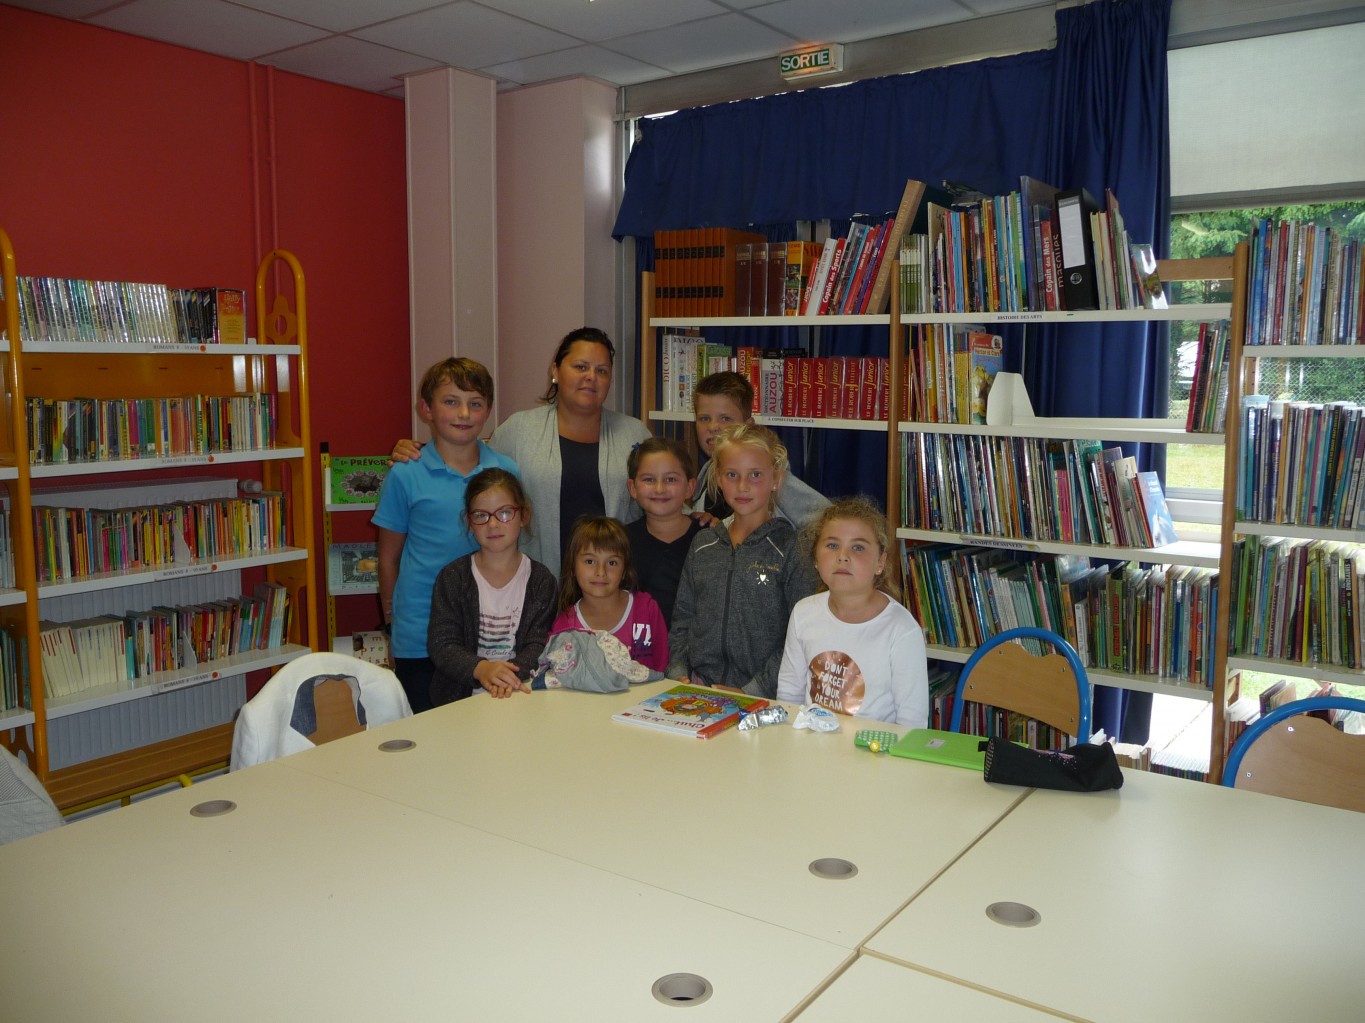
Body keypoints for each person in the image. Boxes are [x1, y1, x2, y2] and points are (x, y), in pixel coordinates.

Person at [390, 327, 651, 580]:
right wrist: (421, 452)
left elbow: (659, 499)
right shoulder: (519, 430)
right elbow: (470, 460)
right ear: (555, 370)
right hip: (535, 587)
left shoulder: (634, 434)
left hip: (611, 586)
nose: (591, 376)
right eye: (580, 367)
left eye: (602, 370)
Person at [372, 357, 517, 714]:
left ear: (489, 411)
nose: (464, 413)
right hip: (420, 634)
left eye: (475, 403)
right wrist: (392, 624)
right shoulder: (405, 473)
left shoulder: (506, 471)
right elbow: (389, 558)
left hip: (490, 631)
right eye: (451, 401)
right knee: (428, 732)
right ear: (427, 409)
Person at [668, 423, 817, 698]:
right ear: (719, 478)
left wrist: (752, 690)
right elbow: (683, 619)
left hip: (762, 697)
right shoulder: (704, 544)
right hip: (696, 690)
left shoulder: (791, 549)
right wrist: (678, 671)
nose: (743, 486)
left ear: (776, 479)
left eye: (755, 475)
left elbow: (799, 636)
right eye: (732, 474)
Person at [777, 496, 929, 727]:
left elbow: (912, 723)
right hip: (811, 745)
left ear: (880, 562)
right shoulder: (803, 613)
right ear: (816, 558)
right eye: (832, 545)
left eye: (858, 547)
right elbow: (789, 696)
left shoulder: (902, 630)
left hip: (875, 749)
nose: (843, 556)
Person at [428, 468, 556, 706]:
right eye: (481, 515)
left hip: (520, 693)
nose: (493, 524)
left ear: (523, 515)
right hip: (459, 702)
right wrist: (482, 669)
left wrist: (506, 677)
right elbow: (443, 644)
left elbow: (539, 643)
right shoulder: (453, 577)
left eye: (505, 513)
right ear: (470, 522)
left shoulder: (541, 580)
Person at [689, 371, 830, 527]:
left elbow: (830, 520)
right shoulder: (706, 473)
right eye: (704, 418)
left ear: (748, 426)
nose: (713, 427)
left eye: (725, 418)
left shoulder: (772, 478)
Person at [550, 515, 668, 673]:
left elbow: (663, 669)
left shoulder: (646, 610)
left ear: (624, 570)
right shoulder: (565, 627)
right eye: (590, 561)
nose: (601, 572)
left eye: (612, 563)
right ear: (572, 567)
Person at [624, 436, 701, 626]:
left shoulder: (709, 538)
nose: (659, 489)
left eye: (670, 479)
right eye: (649, 479)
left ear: (690, 487)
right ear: (633, 488)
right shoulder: (620, 542)